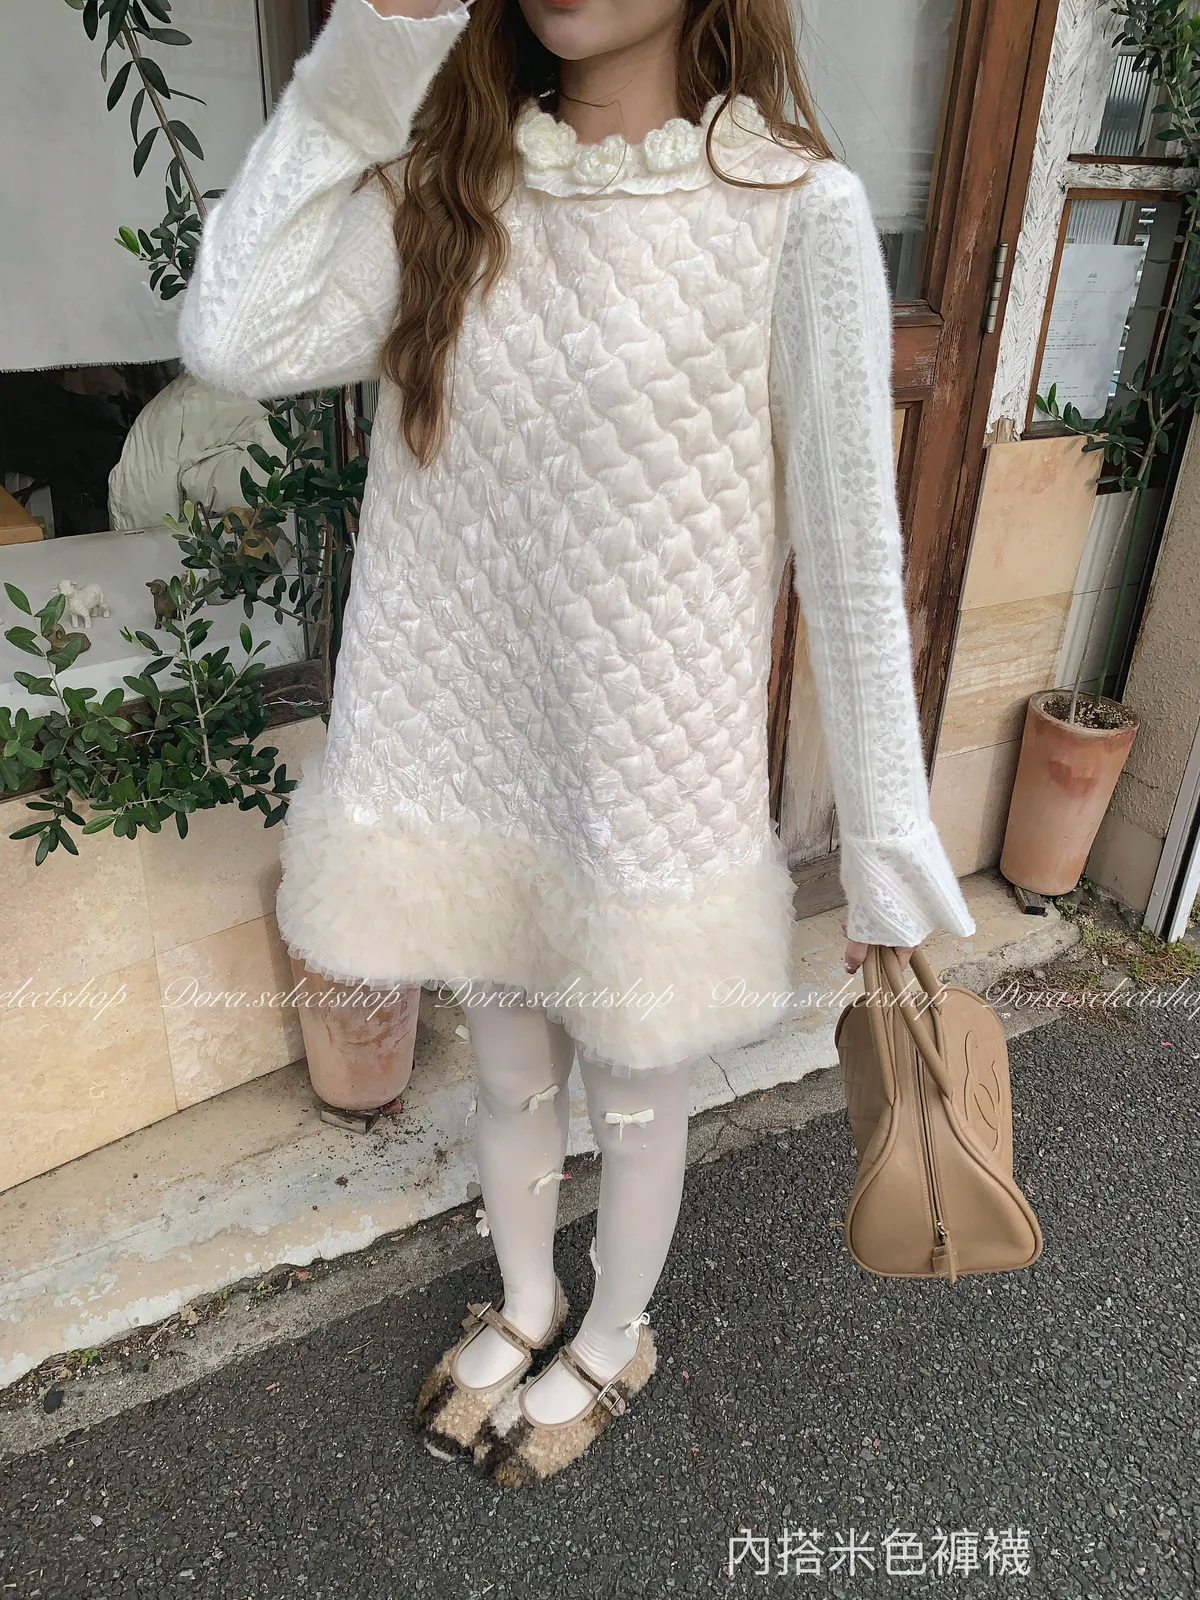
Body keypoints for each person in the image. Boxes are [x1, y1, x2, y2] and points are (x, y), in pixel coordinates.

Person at [178, 0, 976, 1487]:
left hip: (645, 777)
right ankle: (529, 1296)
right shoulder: (451, 185)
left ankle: (614, 1332)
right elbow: (234, 334)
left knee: (634, 1092)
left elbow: (852, 556)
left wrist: (884, 836)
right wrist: (373, 60)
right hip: (472, 758)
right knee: (506, 1078)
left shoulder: (790, 209)